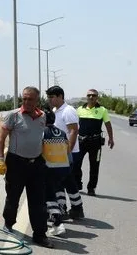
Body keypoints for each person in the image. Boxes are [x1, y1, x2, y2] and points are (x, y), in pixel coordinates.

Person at [0, 86, 54, 248]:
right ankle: (8, 223)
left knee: (38, 201)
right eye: (24, 99)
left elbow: (43, 139)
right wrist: (0, 159)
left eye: (30, 99)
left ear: (37, 100)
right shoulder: (13, 116)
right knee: (13, 197)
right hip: (16, 163)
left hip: (37, 164)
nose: (27, 102)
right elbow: (0, 139)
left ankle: (40, 235)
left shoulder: (42, 117)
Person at [45, 86, 84, 220]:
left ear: (60, 96)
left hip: (69, 153)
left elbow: (73, 131)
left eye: (52, 97)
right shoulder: (56, 111)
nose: (50, 100)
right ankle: (62, 208)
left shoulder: (68, 111)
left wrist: (68, 151)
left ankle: (77, 208)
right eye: (49, 97)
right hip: (59, 154)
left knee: (69, 182)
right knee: (58, 182)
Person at [75, 88, 114, 196]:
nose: (91, 97)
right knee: (76, 164)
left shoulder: (102, 110)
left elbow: (108, 125)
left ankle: (91, 188)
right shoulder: (79, 109)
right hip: (81, 142)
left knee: (94, 166)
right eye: (89, 95)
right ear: (86, 97)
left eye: (94, 95)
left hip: (95, 143)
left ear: (97, 97)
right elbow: (74, 125)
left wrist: (111, 138)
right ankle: (78, 183)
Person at [41, 108, 71, 236]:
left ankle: (58, 222)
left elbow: (38, 149)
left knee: (48, 196)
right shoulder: (62, 132)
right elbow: (68, 150)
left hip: (49, 169)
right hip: (63, 169)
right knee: (57, 191)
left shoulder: (43, 133)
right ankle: (58, 212)